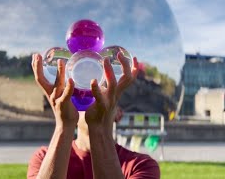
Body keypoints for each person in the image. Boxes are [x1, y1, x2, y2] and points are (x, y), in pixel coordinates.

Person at [27, 52, 160, 179]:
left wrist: (100, 127)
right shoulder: (44, 158)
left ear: (118, 113)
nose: (91, 95)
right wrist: (64, 125)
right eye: (81, 93)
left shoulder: (141, 166)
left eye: (99, 92)